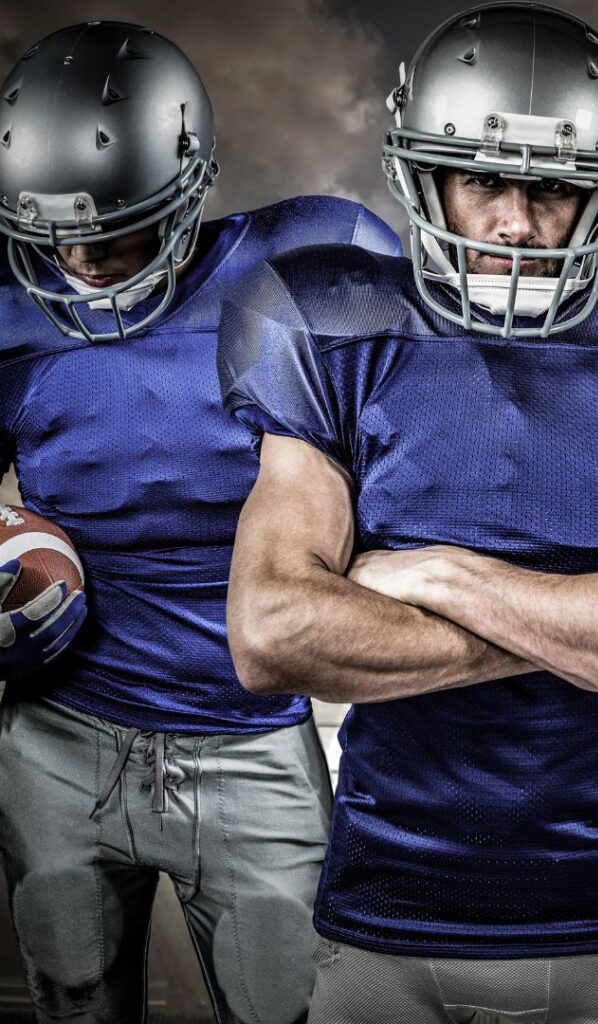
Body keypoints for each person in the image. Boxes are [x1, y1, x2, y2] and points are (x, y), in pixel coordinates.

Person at [219, 4, 598, 1022]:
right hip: (380, 920)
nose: (515, 225)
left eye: (552, 187)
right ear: (420, 172)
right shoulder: (332, 324)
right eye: (482, 176)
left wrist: (440, 574)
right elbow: (272, 633)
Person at [0, 21, 400, 1024]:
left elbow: (434, 457)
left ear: (191, 188)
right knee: (72, 1005)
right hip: (58, 727)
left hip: (249, 738)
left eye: (120, 228)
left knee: (291, 1009)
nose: (85, 257)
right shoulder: (8, 310)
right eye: (57, 231)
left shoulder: (307, 266)